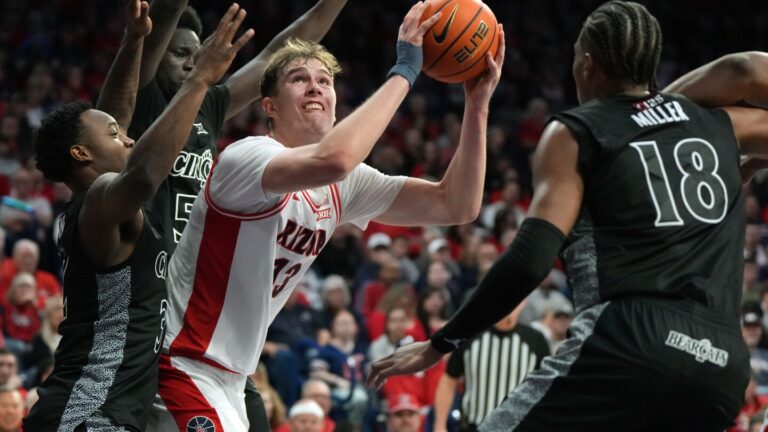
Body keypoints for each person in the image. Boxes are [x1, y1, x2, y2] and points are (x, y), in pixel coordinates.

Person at [369, 2, 768, 430]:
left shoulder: (576, 131)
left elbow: (530, 261)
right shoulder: (721, 125)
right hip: (721, 367)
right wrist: (752, 160)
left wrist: (441, 342)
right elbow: (747, 68)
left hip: (631, 342)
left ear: (588, 64)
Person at [153, 2, 505, 430]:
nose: (315, 87)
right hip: (182, 360)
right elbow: (335, 158)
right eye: (298, 80)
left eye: (324, 80)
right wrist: (405, 71)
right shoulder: (247, 158)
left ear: (337, 103)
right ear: (270, 107)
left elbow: (457, 205)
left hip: (230, 377)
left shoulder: (347, 184)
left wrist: (477, 106)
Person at [23, 2, 253, 429]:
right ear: (81, 154)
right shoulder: (97, 203)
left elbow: (120, 108)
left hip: (106, 412)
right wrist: (200, 79)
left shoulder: (100, 205)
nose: (127, 139)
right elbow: (144, 174)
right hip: (86, 412)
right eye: (113, 136)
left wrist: (134, 39)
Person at [433, 304, 549, 432]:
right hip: (474, 425)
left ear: (524, 303)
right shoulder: (471, 336)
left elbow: (547, 388)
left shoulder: (536, 340)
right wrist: (439, 425)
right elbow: (449, 381)